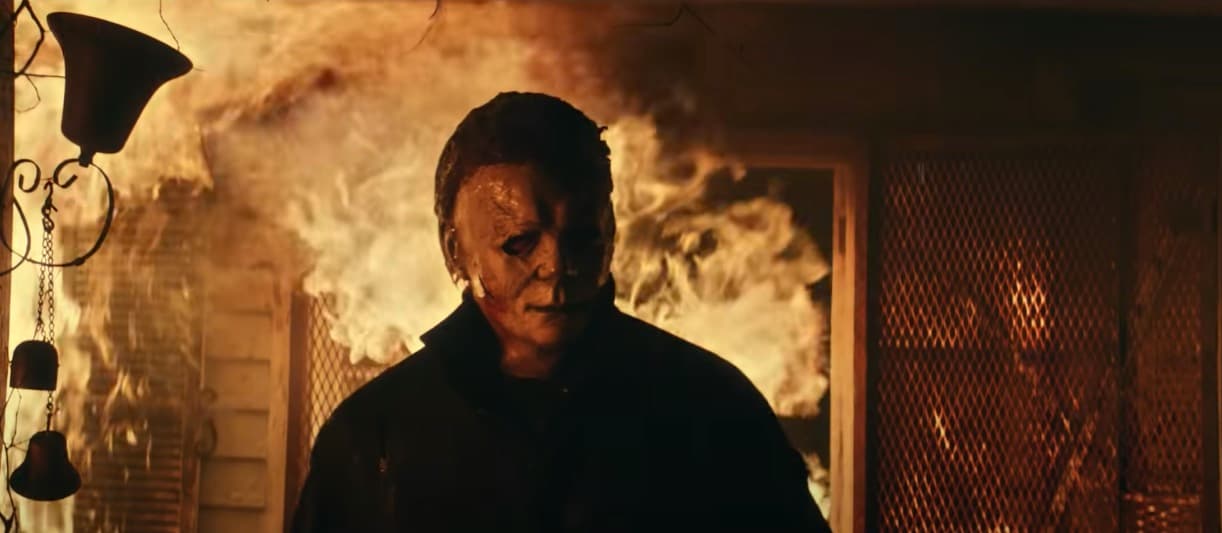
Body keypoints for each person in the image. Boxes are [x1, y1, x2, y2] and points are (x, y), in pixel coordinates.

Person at [290, 92, 831, 533]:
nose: (556, 266)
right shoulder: (374, 437)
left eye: (582, 237)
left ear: (611, 234)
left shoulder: (714, 412)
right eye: (519, 242)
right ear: (455, 251)